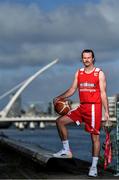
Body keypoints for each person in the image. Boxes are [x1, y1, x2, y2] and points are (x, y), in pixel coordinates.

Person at [53, 49, 109, 177]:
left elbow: (103, 93)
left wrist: (107, 112)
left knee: (94, 137)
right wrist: (59, 97)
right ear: (82, 59)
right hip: (82, 107)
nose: (86, 60)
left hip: (94, 108)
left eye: (89, 57)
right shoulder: (79, 72)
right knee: (60, 121)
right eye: (84, 58)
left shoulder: (99, 73)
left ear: (93, 58)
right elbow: (72, 89)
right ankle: (66, 150)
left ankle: (94, 167)